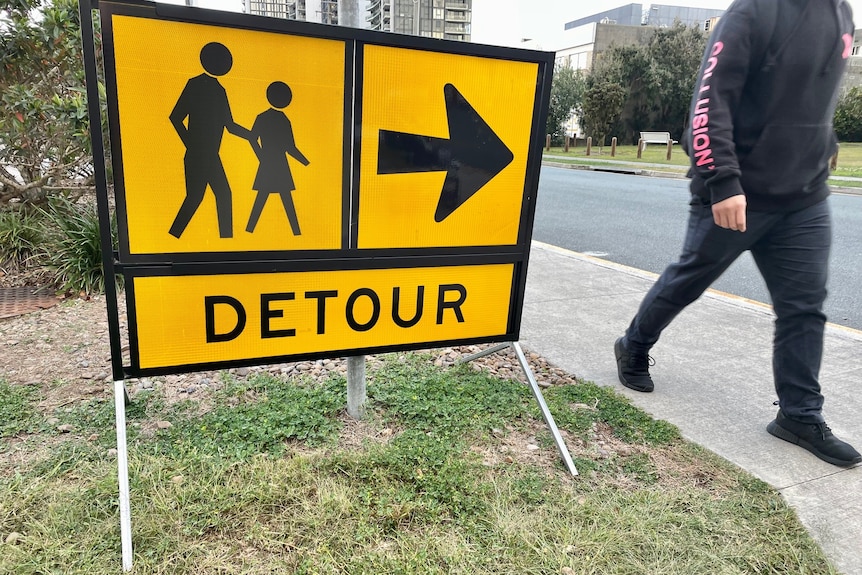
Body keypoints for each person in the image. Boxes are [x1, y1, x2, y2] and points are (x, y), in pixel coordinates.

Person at [614, 0, 861, 467]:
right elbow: (711, 98)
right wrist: (723, 179)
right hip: (737, 192)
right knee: (689, 279)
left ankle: (799, 414)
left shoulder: (841, 14)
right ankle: (634, 344)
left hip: (804, 197)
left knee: (804, 308)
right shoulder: (754, 11)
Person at [169, 42, 252, 239]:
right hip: (198, 155)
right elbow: (175, 117)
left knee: (222, 195)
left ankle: (226, 243)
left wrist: (250, 135)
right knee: (196, 198)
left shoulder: (219, 90)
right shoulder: (194, 84)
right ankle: (172, 237)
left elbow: (229, 125)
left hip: (211, 156)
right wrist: (191, 144)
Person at [246, 81, 310, 235]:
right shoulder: (282, 120)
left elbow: (252, 139)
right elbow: (290, 147)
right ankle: (295, 232)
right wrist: (305, 162)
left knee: (271, 197)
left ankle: (250, 229)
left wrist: (262, 157)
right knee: (278, 198)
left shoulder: (265, 117)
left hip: (271, 164)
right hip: (278, 164)